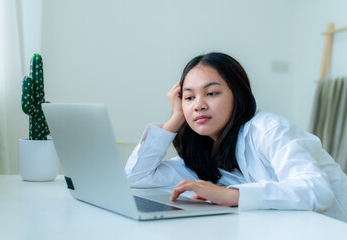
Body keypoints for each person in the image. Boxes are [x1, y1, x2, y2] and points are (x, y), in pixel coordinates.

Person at [124, 52, 347, 222]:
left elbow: (317, 191)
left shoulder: (269, 130)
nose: (199, 105)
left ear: (237, 95)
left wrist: (230, 195)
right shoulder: (201, 154)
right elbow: (137, 177)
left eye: (211, 93)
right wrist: (176, 117)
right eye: (189, 97)